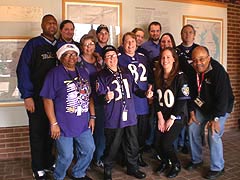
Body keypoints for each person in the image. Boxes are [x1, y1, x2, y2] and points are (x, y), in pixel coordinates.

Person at [97, 45, 153, 180]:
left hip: (130, 115)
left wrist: (145, 93)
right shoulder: (101, 75)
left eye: (114, 56)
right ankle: (108, 170)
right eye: (108, 57)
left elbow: (135, 89)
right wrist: (106, 97)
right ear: (104, 60)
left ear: (117, 57)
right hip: (114, 117)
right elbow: (99, 98)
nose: (112, 59)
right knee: (112, 145)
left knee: (132, 143)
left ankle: (132, 168)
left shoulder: (126, 71)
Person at [40, 43, 95, 180]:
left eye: (74, 54)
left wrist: (92, 116)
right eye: (67, 54)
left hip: (83, 122)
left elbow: (89, 96)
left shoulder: (83, 72)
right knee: (66, 155)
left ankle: (78, 173)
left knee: (89, 149)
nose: (72, 57)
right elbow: (47, 99)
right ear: (60, 58)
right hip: (63, 124)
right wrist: (53, 123)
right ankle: (59, 176)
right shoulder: (54, 74)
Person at [16, 14, 58, 180]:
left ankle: (48, 163)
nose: (52, 25)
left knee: (51, 133)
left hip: (55, 100)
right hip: (37, 99)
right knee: (37, 133)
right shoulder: (33, 45)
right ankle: (38, 167)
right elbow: (23, 70)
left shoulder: (59, 45)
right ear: (42, 25)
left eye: (54, 23)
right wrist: (27, 96)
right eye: (49, 23)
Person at [186, 46, 234, 180]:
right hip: (202, 107)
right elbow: (189, 94)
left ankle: (218, 167)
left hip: (220, 108)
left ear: (208, 58)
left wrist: (216, 119)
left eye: (201, 59)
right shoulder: (192, 71)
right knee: (192, 128)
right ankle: (196, 160)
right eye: (194, 60)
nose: (198, 63)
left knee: (213, 133)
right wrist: (191, 112)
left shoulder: (218, 72)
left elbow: (223, 98)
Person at [154, 47, 190, 178]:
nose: (165, 60)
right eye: (163, 57)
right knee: (157, 142)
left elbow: (182, 101)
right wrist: (160, 118)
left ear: (174, 59)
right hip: (162, 116)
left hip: (177, 116)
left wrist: (171, 118)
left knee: (166, 143)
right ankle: (164, 162)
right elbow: (156, 100)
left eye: (168, 57)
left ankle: (175, 164)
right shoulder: (158, 76)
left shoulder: (180, 77)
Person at [118, 32, 153, 167]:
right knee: (128, 133)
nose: (130, 44)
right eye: (127, 42)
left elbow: (150, 77)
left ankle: (138, 156)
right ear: (123, 44)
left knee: (141, 132)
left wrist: (150, 89)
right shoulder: (119, 58)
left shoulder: (143, 57)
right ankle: (127, 158)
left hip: (142, 101)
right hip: (127, 101)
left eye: (132, 41)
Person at [78, 34, 105, 168]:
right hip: (83, 101)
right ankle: (84, 160)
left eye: (91, 44)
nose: (89, 47)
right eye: (86, 44)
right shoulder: (78, 61)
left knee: (99, 131)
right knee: (85, 131)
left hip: (99, 100)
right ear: (81, 46)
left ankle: (98, 157)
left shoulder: (99, 60)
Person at [175, 24, 199, 154]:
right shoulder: (176, 50)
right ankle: (180, 142)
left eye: (190, 32)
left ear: (194, 35)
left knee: (193, 115)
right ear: (181, 34)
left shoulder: (199, 49)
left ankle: (190, 143)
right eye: (184, 32)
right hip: (181, 88)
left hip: (196, 89)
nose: (187, 34)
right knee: (181, 114)